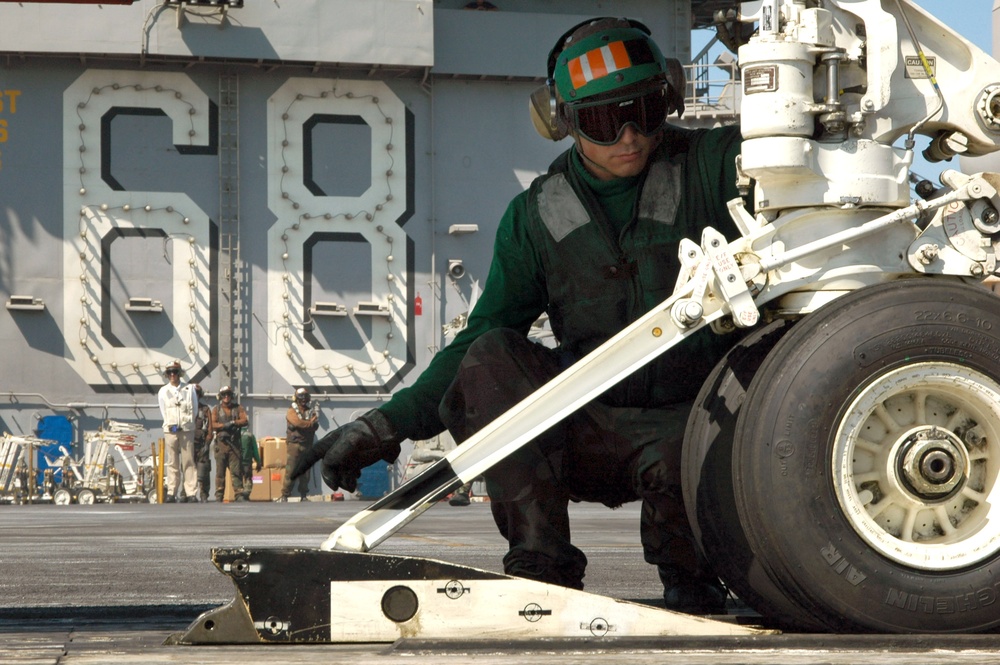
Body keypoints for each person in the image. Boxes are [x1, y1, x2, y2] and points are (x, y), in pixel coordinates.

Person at [292, 17, 745, 614]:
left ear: (670, 97)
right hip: (586, 431)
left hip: (699, 429)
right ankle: (540, 567)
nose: (630, 135)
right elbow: (478, 341)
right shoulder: (535, 216)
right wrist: (384, 427)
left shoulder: (717, 164)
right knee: (489, 358)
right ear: (562, 121)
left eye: (646, 110)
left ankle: (694, 575)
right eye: (606, 121)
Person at [157, 361, 199, 503]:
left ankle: (191, 492)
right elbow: (163, 410)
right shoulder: (163, 391)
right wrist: (171, 423)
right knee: (172, 461)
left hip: (187, 429)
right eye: (170, 373)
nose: (172, 375)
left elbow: (195, 408)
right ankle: (171, 491)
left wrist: (187, 422)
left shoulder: (189, 389)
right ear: (167, 375)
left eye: (175, 372)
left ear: (180, 374)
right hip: (171, 430)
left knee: (188, 461)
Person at [278, 388, 318, 502]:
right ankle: (285, 494)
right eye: (301, 397)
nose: (303, 400)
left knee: (305, 472)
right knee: (291, 470)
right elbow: (297, 422)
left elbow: (314, 423)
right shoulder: (291, 411)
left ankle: (303, 494)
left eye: (305, 397)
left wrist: (309, 424)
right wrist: (310, 424)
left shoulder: (311, 411)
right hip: (294, 445)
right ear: (296, 399)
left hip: (307, 445)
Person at [211, 385, 249, 502]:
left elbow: (244, 420)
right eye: (224, 395)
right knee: (220, 473)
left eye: (228, 394)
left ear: (231, 396)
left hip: (234, 445)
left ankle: (238, 493)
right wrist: (223, 426)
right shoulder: (216, 409)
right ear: (221, 397)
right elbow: (212, 424)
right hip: (221, 445)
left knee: (236, 471)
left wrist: (233, 423)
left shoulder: (238, 408)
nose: (226, 397)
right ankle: (219, 495)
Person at [192, 384, 213, 502]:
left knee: (204, 468)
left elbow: (210, 428)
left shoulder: (205, 409)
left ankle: (204, 494)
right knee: (187, 469)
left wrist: (207, 443)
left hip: (201, 443)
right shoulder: (186, 409)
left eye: (197, 393)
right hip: (189, 444)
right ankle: (187, 493)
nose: (195, 396)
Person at [239, 428, 262, 501]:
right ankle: (246, 493)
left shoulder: (235, 435)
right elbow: (255, 450)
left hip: (237, 461)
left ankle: (239, 494)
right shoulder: (250, 435)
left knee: (238, 478)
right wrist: (258, 462)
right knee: (248, 478)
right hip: (247, 461)